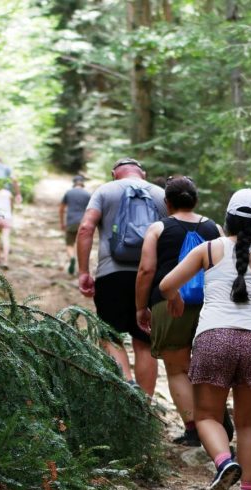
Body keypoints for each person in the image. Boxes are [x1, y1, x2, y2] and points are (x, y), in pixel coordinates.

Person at [159, 189, 251, 490]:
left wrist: (175, 299)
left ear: (227, 219)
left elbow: (166, 285)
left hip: (214, 337)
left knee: (206, 416)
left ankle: (224, 462)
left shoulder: (208, 249)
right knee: (250, 424)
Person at [134, 176, 223, 446]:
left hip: (168, 304)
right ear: (196, 199)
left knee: (177, 369)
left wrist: (141, 307)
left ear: (167, 202)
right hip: (211, 305)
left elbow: (147, 270)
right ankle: (216, 424)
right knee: (208, 367)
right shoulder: (214, 228)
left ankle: (194, 429)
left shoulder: (158, 229)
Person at [76, 158, 168, 395]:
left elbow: (86, 228)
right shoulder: (160, 194)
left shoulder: (105, 190)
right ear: (143, 174)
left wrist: (84, 271)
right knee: (145, 341)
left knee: (110, 334)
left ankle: (126, 382)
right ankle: (145, 406)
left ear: (113, 174)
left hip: (111, 274)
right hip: (150, 275)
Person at [60, 175, 91, 275]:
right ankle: (82, 269)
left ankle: (72, 258)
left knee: (69, 244)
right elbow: (92, 210)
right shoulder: (87, 194)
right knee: (82, 245)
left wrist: (62, 223)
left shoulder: (68, 193)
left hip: (71, 222)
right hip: (84, 223)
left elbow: (61, 209)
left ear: (74, 183)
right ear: (82, 183)